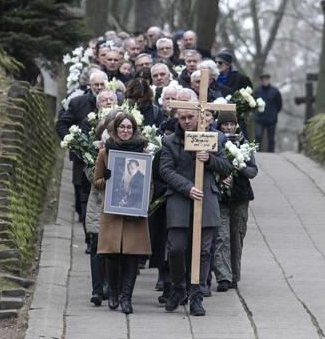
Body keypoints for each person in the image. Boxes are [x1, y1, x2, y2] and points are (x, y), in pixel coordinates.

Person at [159, 108, 231, 316]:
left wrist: (209, 159)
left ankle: (196, 295)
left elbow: (226, 167)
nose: (187, 121)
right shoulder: (170, 141)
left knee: (204, 251)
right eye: (182, 118)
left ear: (200, 118)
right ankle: (179, 286)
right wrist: (187, 187)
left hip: (206, 200)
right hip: (180, 200)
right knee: (176, 248)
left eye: (191, 117)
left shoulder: (212, 139)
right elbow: (165, 170)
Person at [94, 112, 152, 314]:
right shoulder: (105, 153)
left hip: (134, 214)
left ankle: (126, 298)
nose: (126, 131)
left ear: (134, 130)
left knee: (132, 256)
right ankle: (114, 292)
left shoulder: (143, 153)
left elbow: (149, 184)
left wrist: (144, 199)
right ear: (115, 129)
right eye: (122, 127)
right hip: (112, 212)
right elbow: (97, 181)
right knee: (112, 255)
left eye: (129, 127)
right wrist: (107, 180)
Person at [212, 112, 257, 292]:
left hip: (240, 196)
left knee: (237, 235)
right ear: (220, 126)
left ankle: (234, 275)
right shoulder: (216, 141)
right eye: (225, 125)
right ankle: (223, 276)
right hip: (221, 196)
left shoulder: (243, 143)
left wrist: (239, 163)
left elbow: (253, 171)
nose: (229, 127)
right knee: (221, 235)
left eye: (232, 124)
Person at [56, 70, 106, 222]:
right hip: (82, 159)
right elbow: (61, 124)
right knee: (80, 194)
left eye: (101, 84)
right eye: (95, 84)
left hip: (103, 159)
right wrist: (74, 142)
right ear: (89, 85)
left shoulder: (113, 101)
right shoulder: (78, 102)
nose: (98, 87)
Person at [85, 105, 118, 306]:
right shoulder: (97, 146)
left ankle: (111, 285)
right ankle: (97, 289)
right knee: (97, 246)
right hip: (99, 201)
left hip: (118, 204)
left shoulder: (128, 144)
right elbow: (90, 174)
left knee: (113, 248)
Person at [254, 73, 283, 152]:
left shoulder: (275, 91)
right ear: (261, 81)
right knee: (258, 135)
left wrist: (274, 113)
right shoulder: (257, 91)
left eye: (266, 79)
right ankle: (256, 152)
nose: (264, 81)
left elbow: (279, 104)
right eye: (263, 80)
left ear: (269, 80)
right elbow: (253, 103)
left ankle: (271, 154)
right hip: (259, 118)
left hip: (271, 119)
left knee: (271, 138)